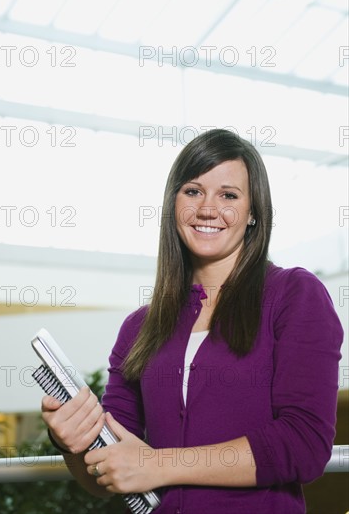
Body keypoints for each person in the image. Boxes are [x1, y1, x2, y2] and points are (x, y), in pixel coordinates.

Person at [41, 129, 344, 513]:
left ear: (253, 213)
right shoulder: (139, 328)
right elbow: (113, 474)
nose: (207, 208)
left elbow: (303, 445)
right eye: (193, 191)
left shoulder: (295, 296)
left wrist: (160, 464)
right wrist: (74, 443)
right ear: (174, 203)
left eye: (229, 195)